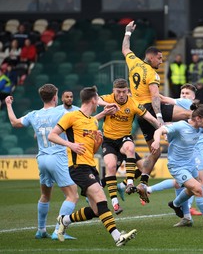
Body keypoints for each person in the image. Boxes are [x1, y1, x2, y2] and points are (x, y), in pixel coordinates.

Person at [48, 86, 137, 246]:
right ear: (94, 100)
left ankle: (65, 220)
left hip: (91, 166)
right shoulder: (71, 116)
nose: (100, 103)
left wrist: (98, 142)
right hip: (77, 167)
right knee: (101, 197)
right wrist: (71, 145)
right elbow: (52, 135)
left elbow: (92, 149)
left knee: (97, 210)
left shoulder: (92, 121)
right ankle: (118, 237)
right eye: (98, 100)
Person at [122, 20, 191, 201]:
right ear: (151, 57)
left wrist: (127, 32)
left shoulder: (134, 63)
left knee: (156, 151)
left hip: (139, 113)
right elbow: (154, 96)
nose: (161, 60)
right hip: (150, 109)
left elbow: (125, 50)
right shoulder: (152, 73)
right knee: (188, 114)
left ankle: (143, 183)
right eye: (159, 58)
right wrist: (159, 117)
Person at [5, 84, 79, 240]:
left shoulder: (34, 114)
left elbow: (14, 123)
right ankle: (58, 230)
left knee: (45, 195)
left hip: (42, 158)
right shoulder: (62, 112)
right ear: (55, 97)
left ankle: (41, 230)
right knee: (72, 196)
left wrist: (8, 104)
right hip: (58, 157)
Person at [147, 84, 203, 226]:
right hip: (177, 166)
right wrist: (156, 141)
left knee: (191, 189)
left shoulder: (201, 128)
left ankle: (176, 204)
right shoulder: (181, 126)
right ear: (198, 118)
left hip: (191, 164)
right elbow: (159, 131)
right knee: (198, 189)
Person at [97, 78, 160, 214]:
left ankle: (128, 183)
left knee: (136, 156)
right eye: (118, 92)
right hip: (108, 140)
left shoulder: (133, 103)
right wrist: (107, 104)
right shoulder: (108, 98)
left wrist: (161, 129)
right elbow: (95, 99)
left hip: (124, 139)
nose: (120, 95)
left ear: (128, 91)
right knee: (111, 166)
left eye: (123, 92)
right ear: (113, 91)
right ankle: (115, 202)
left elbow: (150, 118)